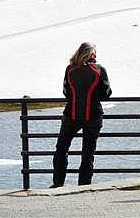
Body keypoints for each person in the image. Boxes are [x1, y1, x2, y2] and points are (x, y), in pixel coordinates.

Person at [51, 42, 112, 187]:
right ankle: (84, 185)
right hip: (93, 115)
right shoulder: (99, 69)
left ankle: (58, 183)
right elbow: (107, 93)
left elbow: (66, 91)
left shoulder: (70, 69)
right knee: (87, 153)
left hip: (71, 115)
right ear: (92, 54)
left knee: (61, 149)